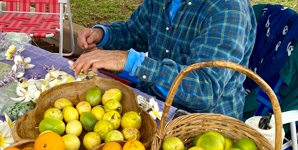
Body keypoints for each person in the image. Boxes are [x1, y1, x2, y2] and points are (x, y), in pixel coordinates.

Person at [70, 0, 253, 118]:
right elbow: (133, 33)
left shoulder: (228, 8)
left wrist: (133, 62)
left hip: (205, 126)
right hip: (154, 104)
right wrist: (103, 34)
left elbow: (205, 89)